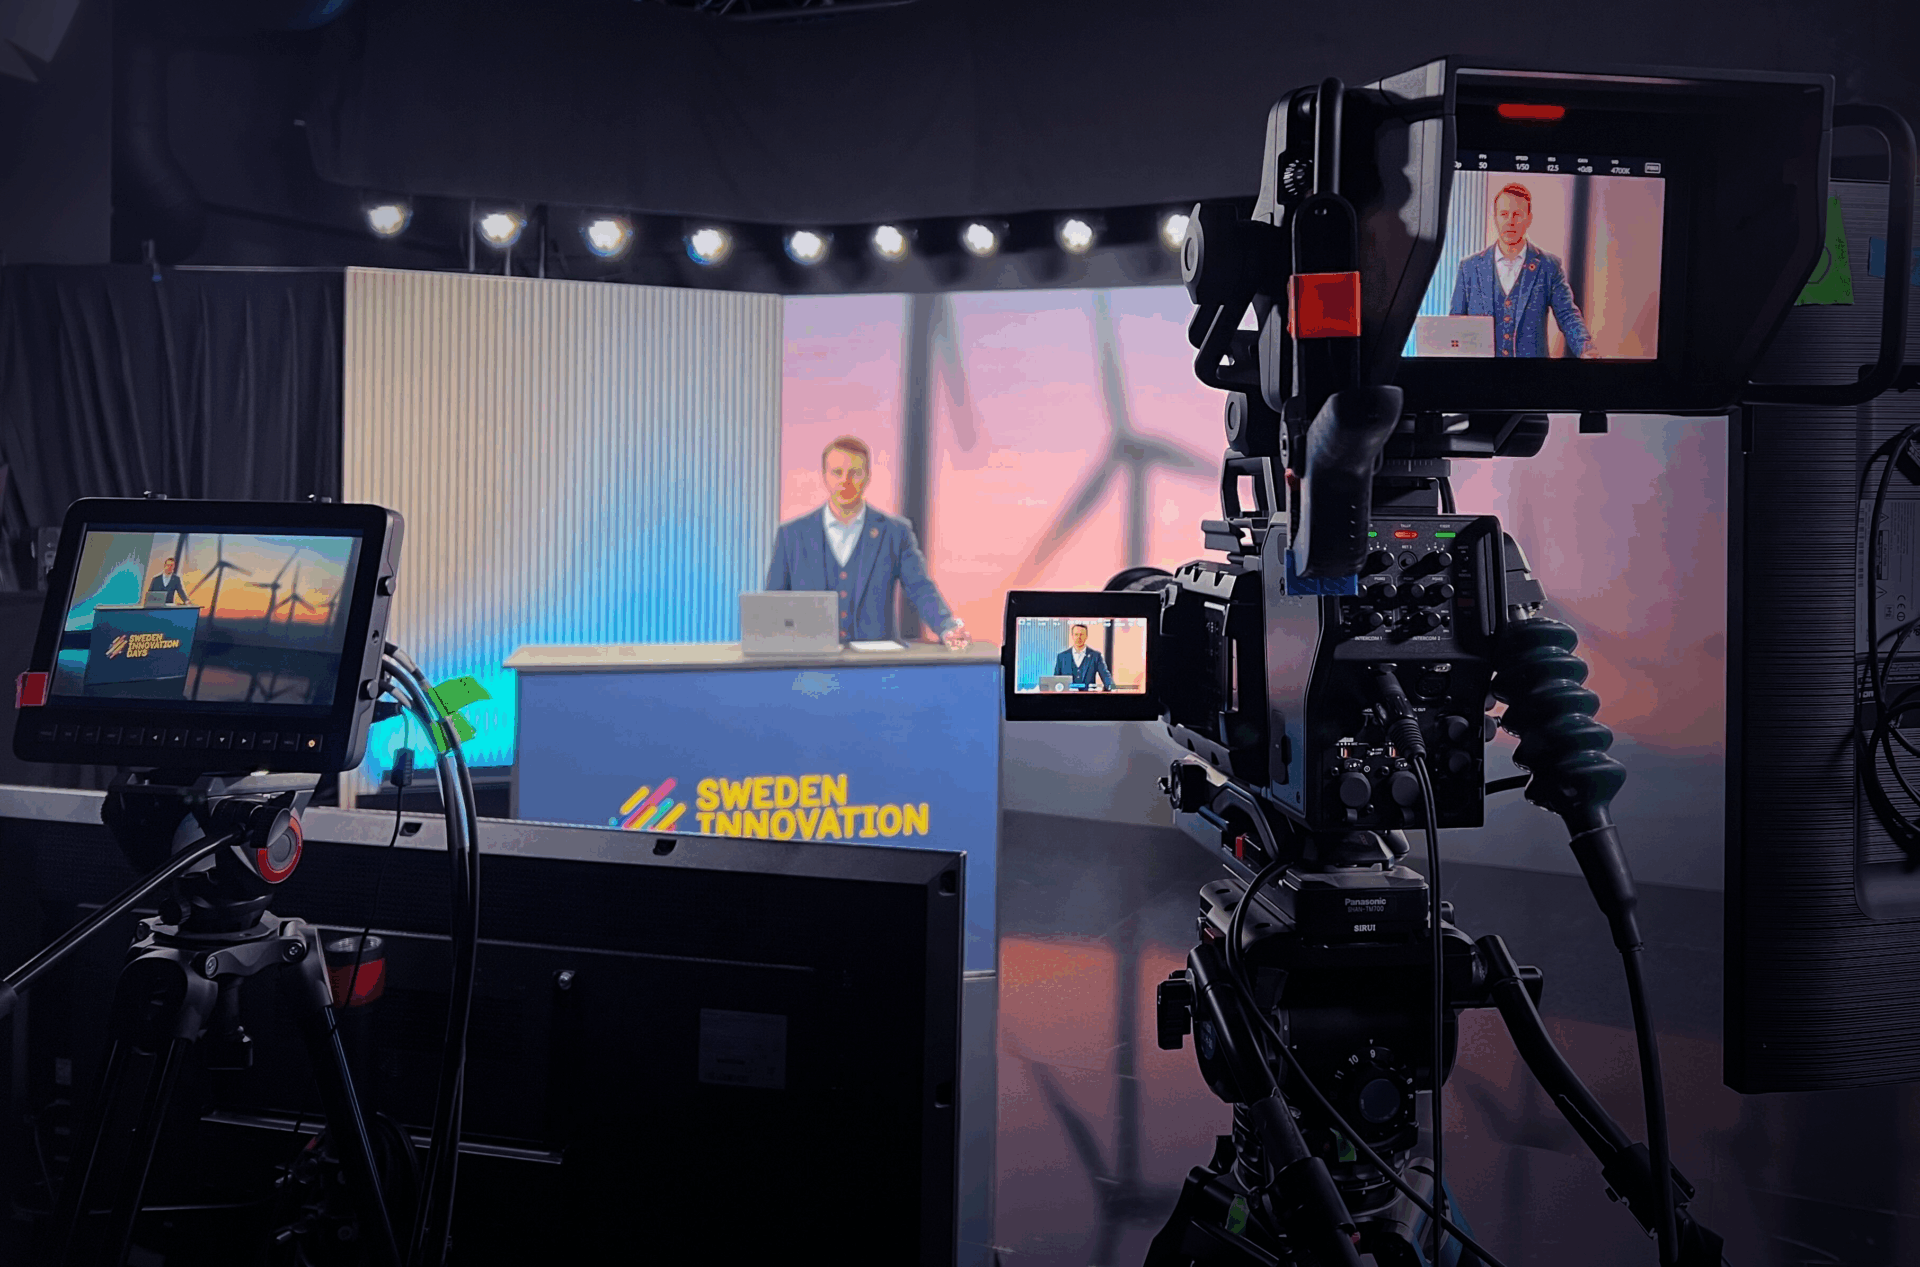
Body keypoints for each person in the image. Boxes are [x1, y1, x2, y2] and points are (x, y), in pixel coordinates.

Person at [765, 435, 969, 648]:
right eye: (837, 472)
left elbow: (920, 588)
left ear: (868, 476)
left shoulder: (895, 532)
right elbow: (773, 604)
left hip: (876, 661)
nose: (845, 481)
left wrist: (947, 627)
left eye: (855, 473)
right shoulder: (791, 535)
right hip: (810, 659)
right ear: (824, 476)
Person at [1448, 182, 1597, 359]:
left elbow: (1568, 315)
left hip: (1532, 373)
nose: (1510, 221)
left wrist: (1586, 349)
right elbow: (1455, 325)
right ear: (1495, 217)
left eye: (1517, 214)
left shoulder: (1548, 266)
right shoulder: (1469, 267)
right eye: (1504, 214)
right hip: (1480, 372)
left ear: (1529, 218)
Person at [1051, 623, 1113, 690]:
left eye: (1081, 635)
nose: (1079, 637)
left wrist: (1113, 688)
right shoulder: (1061, 657)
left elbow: (1106, 676)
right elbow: (1055, 681)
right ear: (1072, 636)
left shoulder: (1096, 656)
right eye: (1076, 634)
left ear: (1086, 636)